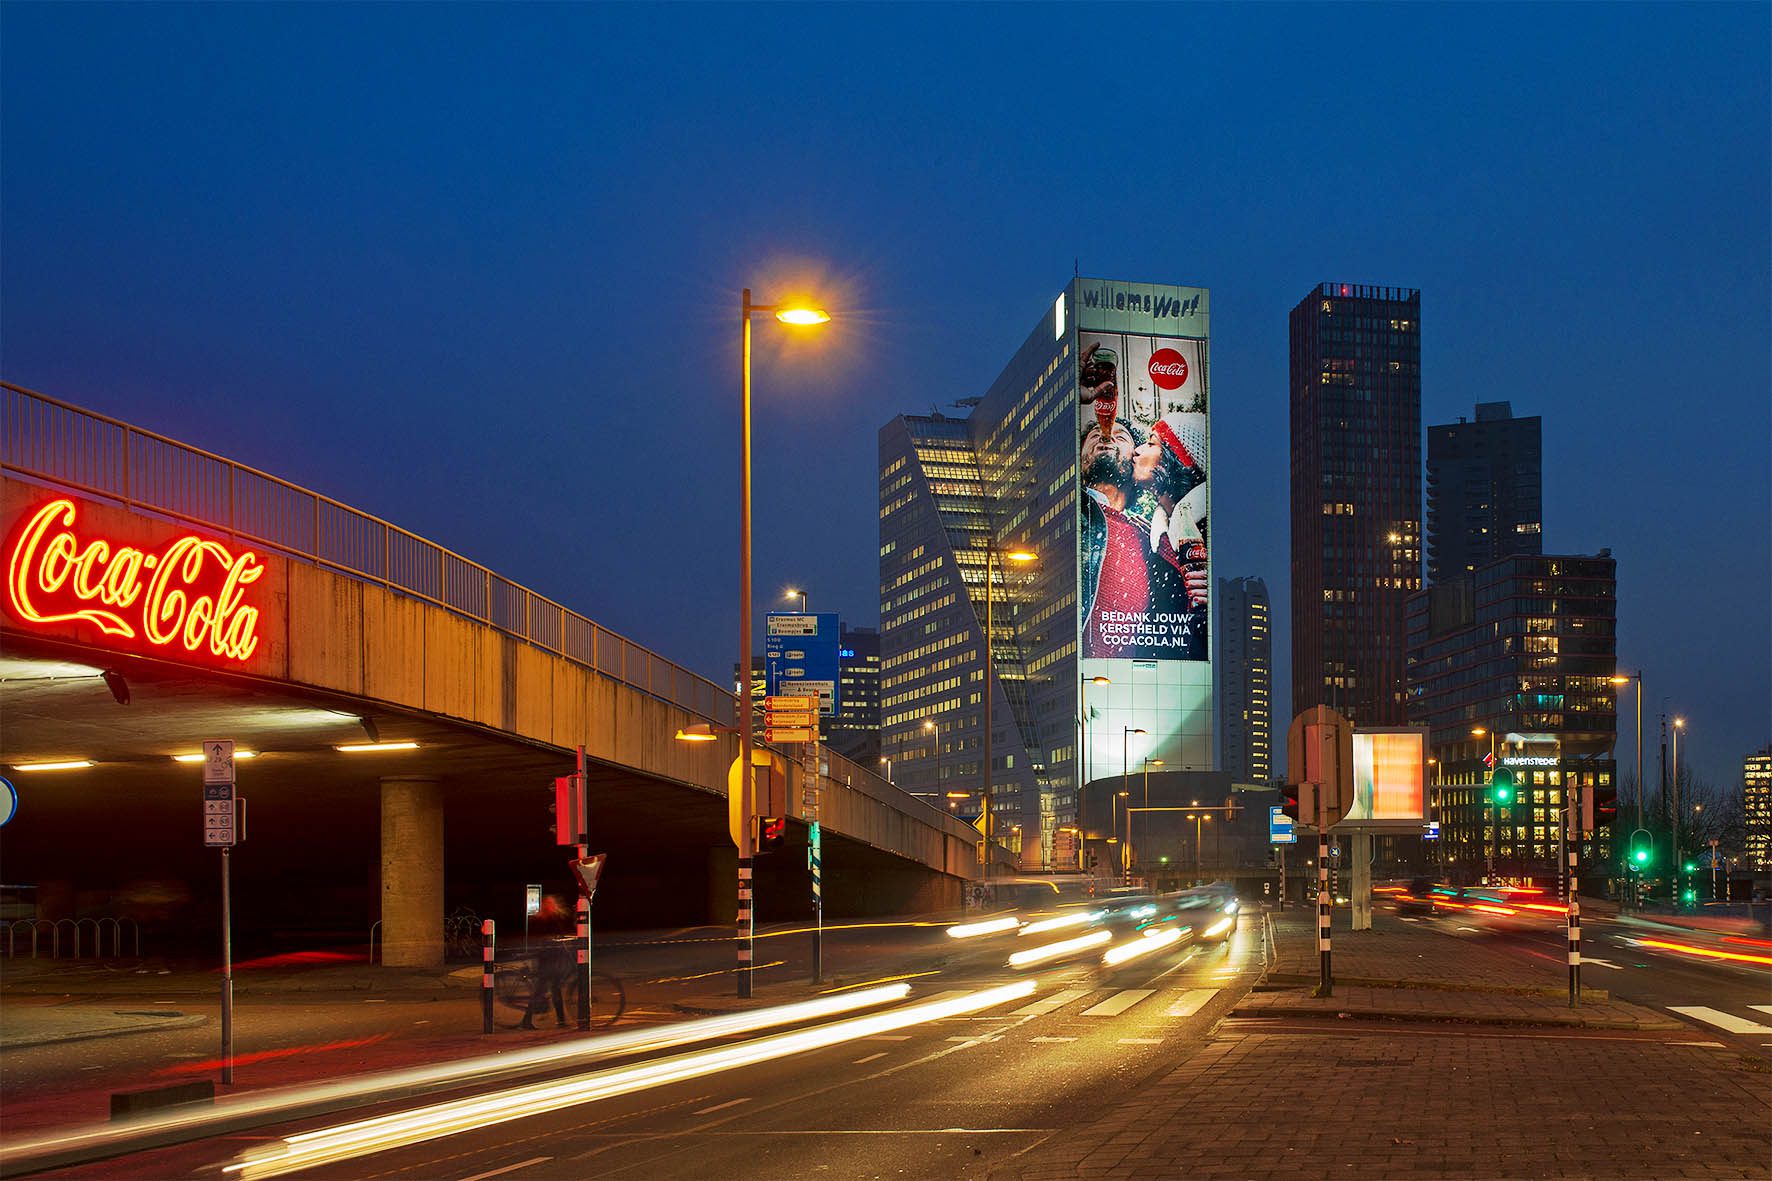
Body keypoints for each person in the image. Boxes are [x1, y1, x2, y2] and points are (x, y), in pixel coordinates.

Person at [522, 894, 573, 1029]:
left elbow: (556, 935)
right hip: (548, 960)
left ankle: (561, 1021)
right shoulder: (547, 919)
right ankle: (526, 1020)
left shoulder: (548, 918)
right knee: (543, 990)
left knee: (552, 989)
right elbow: (554, 936)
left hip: (549, 958)